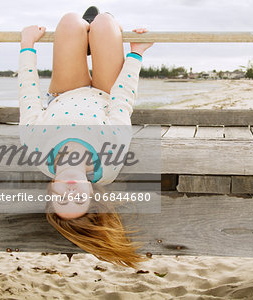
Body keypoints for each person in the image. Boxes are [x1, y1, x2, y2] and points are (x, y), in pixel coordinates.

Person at [18, 8, 153, 268]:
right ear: (92, 193)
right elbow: (122, 104)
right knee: (104, 23)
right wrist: (136, 53)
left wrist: (27, 46)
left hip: (65, 91)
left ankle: (83, 37)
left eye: (62, 198)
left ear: (51, 191)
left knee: (70, 22)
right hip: (106, 91)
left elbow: (29, 97)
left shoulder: (36, 150)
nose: (70, 191)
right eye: (79, 199)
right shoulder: (110, 161)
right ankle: (95, 37)